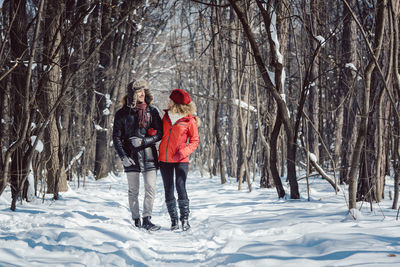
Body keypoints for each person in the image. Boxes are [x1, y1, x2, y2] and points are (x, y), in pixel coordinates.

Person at [112, 79, 163, 231]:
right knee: (133, 191)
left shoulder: (152, 111)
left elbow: (160, 133)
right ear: (131, 93)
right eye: (138, 91)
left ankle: (147, 219)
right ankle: (136, 220)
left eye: (143, 90)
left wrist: (144, 141)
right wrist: (123, 157)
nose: (142, 93)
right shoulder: (121, 113)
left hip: (149, 156)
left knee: (150, 189)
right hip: (131, 157)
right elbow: (116, 137)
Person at [158, 89, 200, 231]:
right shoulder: (165, 117)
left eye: (170, 100)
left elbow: (195, 141)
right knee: (168, 189)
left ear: (176, 103)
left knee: (180, 186)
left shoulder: (189, 120)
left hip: (181, 159)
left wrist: (184, 151)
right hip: (164, 158)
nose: (168, 102)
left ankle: (185, 220)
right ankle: (174, 221)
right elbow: (159, 133)